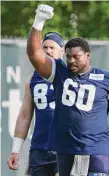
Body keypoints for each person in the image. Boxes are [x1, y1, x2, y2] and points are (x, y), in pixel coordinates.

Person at [26, 4, 109, 176]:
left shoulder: (106, 79)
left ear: (87, 55)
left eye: (76, 57)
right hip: (66, 150)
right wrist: (38, 22)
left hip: (95, 149)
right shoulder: (60, 73)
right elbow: (34, 54)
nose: (71, 61)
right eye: (68, 56)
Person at [7, 31, 64, 176]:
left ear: (62, 51)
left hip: (66, 148)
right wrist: (15, 149)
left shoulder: (70, 75)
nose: (48, 51)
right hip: (40, 149)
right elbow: (25, 115)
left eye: (53, 47)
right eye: (44, 47)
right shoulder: (33, 79)